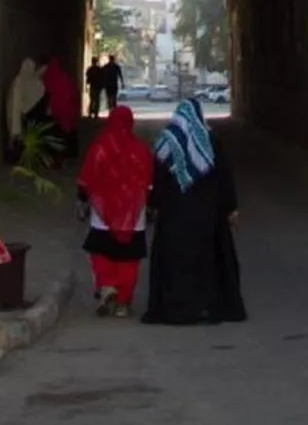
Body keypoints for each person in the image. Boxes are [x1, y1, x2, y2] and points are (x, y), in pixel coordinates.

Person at [143, 99, 244, 325]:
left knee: (175, 263)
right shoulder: (210, 141)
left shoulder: (167, 141)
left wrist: (153, 204)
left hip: (174, 216)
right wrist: (230, 208)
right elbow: (224, 177)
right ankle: (206, 307)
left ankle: (176, 309)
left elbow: (157, 178)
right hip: (208, 216)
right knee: (207, 260)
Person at [78, 105, 153, 317]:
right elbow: (148, 183)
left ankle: (107, 285)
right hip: (132, 215)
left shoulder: (99, 147)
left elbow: (85, 180)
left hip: (102, 215)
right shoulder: (140, 150)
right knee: (129, 259)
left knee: (101, 252)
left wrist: (83, 201)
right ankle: (123, 302)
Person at [41, 56, 80, 143]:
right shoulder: (64, 78)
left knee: (59, 131)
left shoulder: (51, 76)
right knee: (67, 128)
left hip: (58, 108)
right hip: (67, 108)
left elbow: (46, 89)